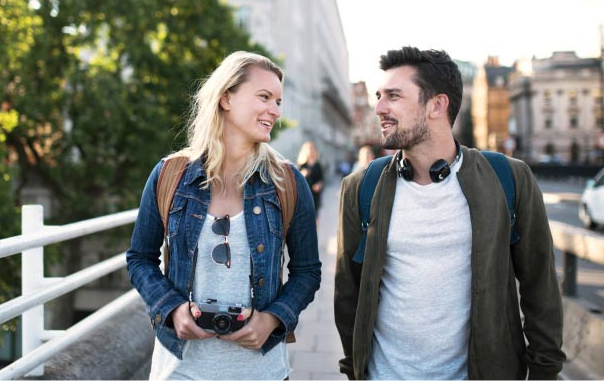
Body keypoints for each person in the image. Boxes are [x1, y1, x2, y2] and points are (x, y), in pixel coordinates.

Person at [333, 46, 565, 380]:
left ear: (437, 105)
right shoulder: (361, 187)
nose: (379, 107)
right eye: (379, 95)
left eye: (394, 96)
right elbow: (348, 294)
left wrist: (545, 372)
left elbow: (539, 285)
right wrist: (354, 369)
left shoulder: (508, 179)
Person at [126, 51, 321, 380]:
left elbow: (307, 272)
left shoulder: (287, 183)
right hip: (179, 370)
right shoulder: (169, 175)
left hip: (262, 371)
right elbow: (140, 257)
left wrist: (272, 318)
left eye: (278, 101)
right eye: (264, 97)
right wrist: (172, 309)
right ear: (226, 98)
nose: (274, 110)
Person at [297, 141, 324, 220]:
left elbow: (321, 179)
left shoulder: (317, 165)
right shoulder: (302, 165)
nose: (311, 151)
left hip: (315, 195)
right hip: (304, 195)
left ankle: (315, 232)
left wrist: (319, 185)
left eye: (312, 149)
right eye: (309, 149)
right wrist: (303, 174)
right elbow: (296, 180)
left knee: (315, 216)